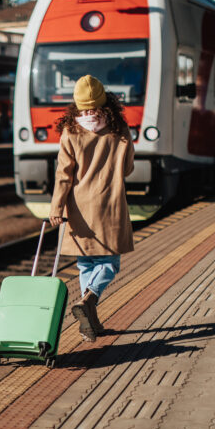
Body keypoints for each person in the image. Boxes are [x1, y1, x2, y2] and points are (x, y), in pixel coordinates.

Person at [49, 75, 135, 341]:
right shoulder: (118, 129)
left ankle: (90, 322)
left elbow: (63, 174)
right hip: (110, 204)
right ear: (105, 103)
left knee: (86, 263)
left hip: (78, 207)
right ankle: (90, 300)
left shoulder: (70, 131)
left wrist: (56, 207)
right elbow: (128, 168)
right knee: (110, 262)